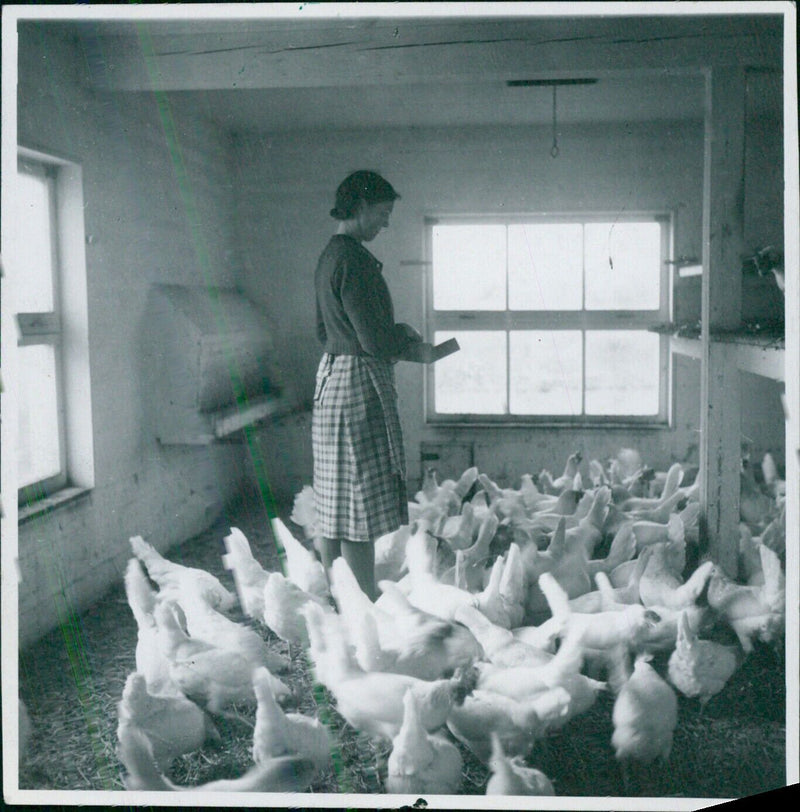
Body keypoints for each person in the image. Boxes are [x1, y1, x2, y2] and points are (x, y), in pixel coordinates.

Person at [312, 170, 424, 600]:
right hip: (358, 383)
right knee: (357, 505)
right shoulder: (354, 260)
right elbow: (373, 341)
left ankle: (342, 600)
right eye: (382, 213)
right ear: (358, 208)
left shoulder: (330, 256)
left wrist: (385, 332)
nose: (386, 222)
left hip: (332, 379)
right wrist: (406, 339)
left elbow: (325, 331)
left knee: (336, 506)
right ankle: (362, 604)